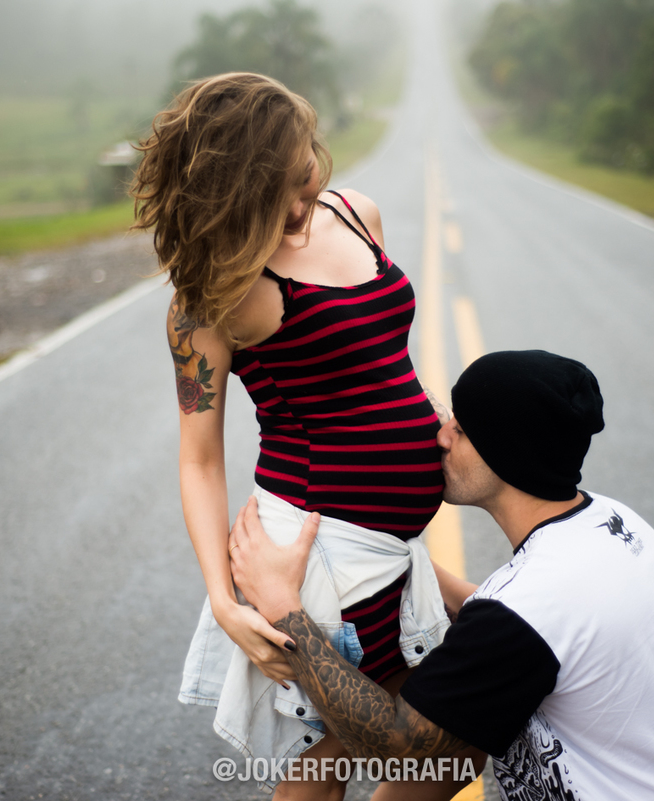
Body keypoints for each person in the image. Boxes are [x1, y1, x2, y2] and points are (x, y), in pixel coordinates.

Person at [131, 73, 470, 800]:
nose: (295, 207)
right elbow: (198, 460)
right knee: (335, 763)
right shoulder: (215, 299)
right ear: (226, 194)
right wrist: (225, 600)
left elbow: (381, 361)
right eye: (269, 196)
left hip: (392, 549)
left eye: (302, 177)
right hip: (322, 558)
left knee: (436, 743)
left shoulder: (356, 214)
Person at [229, 350, 654, 801]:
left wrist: (284, 608)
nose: (440, 436)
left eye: (461, 427)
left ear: (506, 452)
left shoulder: (527, 611)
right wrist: (383, 555)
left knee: (432, 750)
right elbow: (534, 629)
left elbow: (395, 746)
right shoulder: (614, 524)